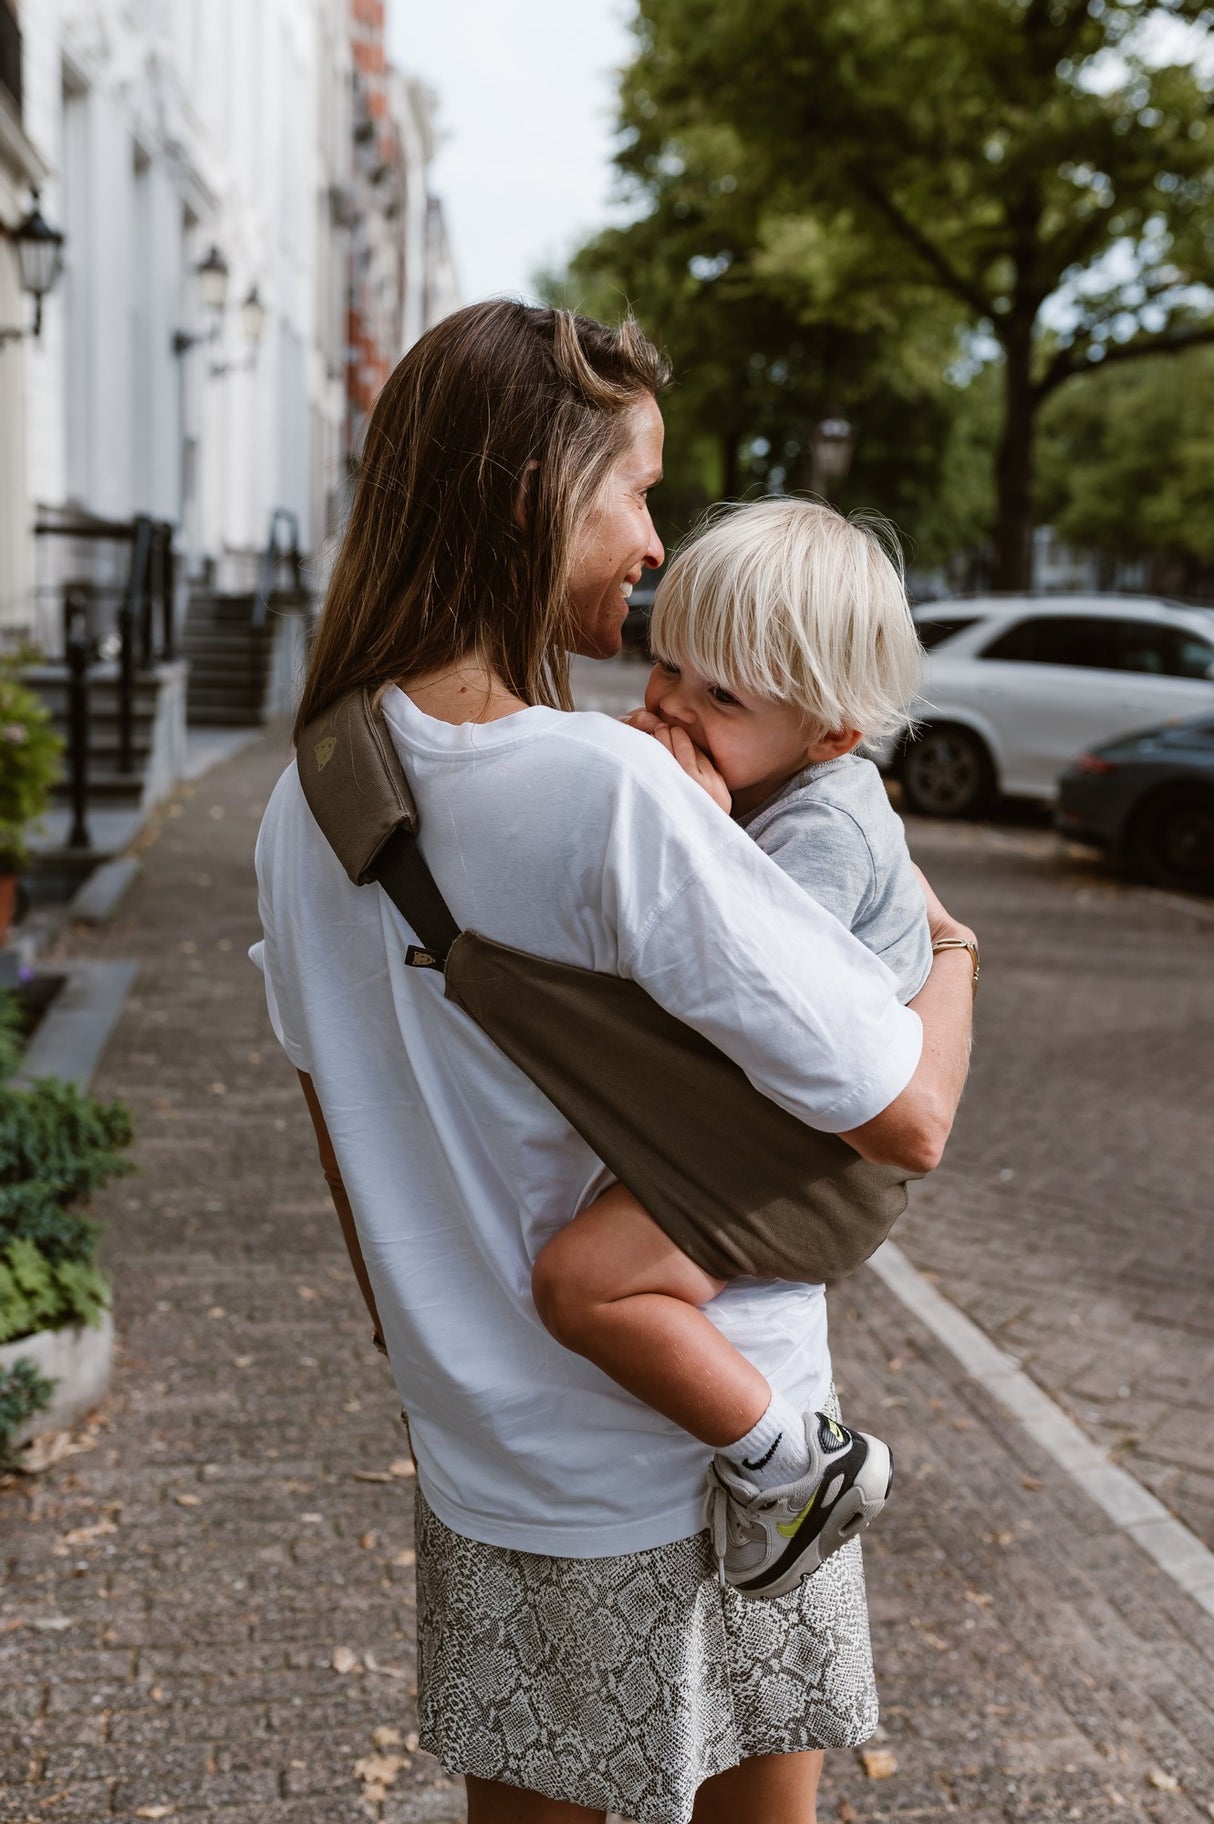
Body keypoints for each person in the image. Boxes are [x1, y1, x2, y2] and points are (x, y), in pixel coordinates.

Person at [252, 299, 977, 1824]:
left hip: (490, 1469)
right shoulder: (606, 790)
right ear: (533, 492)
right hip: (706, 1477)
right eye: (633, 490)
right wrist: (956, 952)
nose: (652, 543)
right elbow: (904, 1116)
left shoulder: (306, 804)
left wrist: (450, 1373)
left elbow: (345, 1156)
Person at [530, 498, 946, 1603]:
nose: (668, 702)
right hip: (782, 1120)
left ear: (830, 735)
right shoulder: (773, 779)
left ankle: (792, 1462)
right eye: (665, 661)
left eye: (720, 696)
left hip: (807, 1143)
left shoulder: (815, 827)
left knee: (583, 1285)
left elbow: (758, 1002)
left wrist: (695, 831)